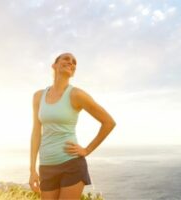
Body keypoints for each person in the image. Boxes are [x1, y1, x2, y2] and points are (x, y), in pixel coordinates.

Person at [29, 52, 116, 200]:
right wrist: (32, 169)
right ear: (54, 65)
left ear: (73, 72)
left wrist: (87, 150)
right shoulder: (38, 96)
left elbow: (109, 122)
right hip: (46, 166)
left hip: (71, 164)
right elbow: (36, 132)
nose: (71, 62)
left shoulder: (76, 95)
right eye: (66, 59)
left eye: (74, 62)